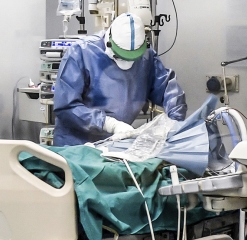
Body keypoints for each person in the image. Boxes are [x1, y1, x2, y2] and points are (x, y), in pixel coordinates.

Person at [53, 13, 187, 146]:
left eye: (132, 59)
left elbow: (167, 90)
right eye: (120, 56)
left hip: (117, 144)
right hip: (77, 145)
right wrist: (109, 124)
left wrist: (173, 123)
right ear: (109, 42)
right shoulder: (81, 53)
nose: (126, 63)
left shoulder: (147, 56)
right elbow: (66, 107)